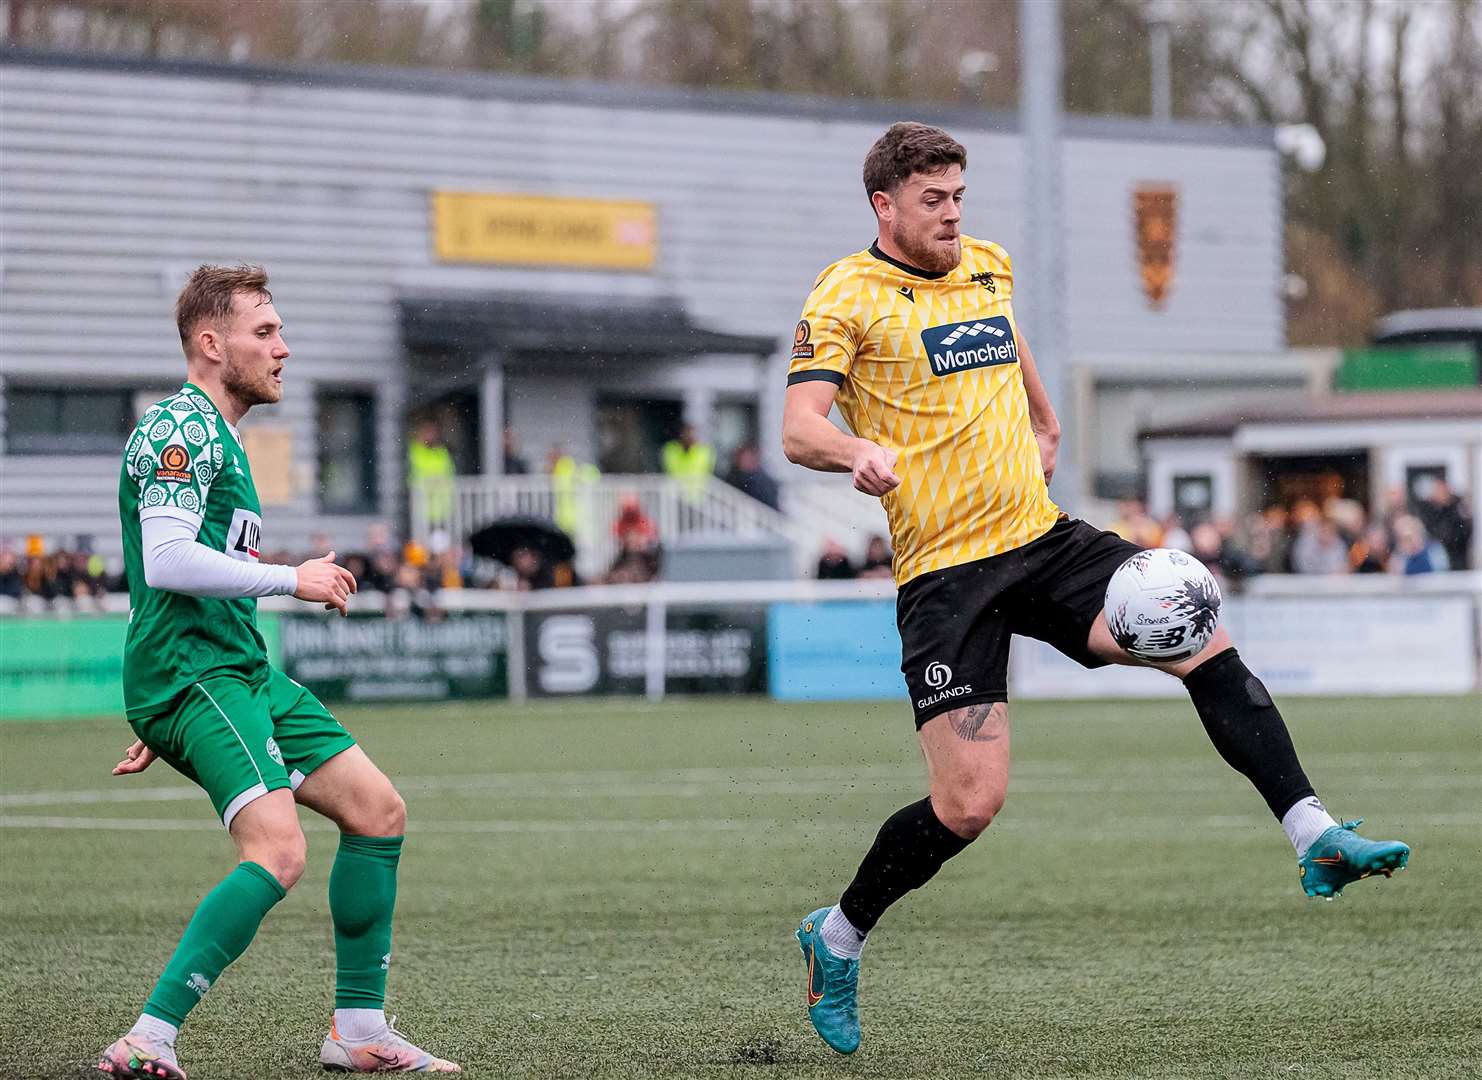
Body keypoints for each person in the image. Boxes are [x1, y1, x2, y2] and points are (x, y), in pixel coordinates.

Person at [780, 123, 1409, 1057]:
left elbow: (1004, 336)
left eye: (959, 196)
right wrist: (856, 449)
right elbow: (799, 426)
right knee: (968, 805)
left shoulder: (985, 263)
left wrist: (1043, 414)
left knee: (1190, 619)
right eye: (932, 201)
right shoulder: (845, 295)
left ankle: (1314, 832)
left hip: (1044, 541)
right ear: (884, 204)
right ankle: (836, 937)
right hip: (947, 578)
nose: (953, 214)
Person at [98, 264, 458, 1077]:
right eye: (265, 333)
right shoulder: (178, 428)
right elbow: (164, 560)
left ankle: (359, 1032)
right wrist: (290, 578)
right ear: (210, 342)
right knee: (279, 852)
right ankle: (148, 1037)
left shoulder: (221, 436)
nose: (283, 349)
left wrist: (172, 717)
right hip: (198, 675)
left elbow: (172, 567)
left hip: (229, 674)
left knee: (377, 811)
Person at [722, 443, 781, 510]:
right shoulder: (735, 474)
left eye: (747, 458)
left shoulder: (762, 482)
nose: (744, 461)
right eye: (743, 458)